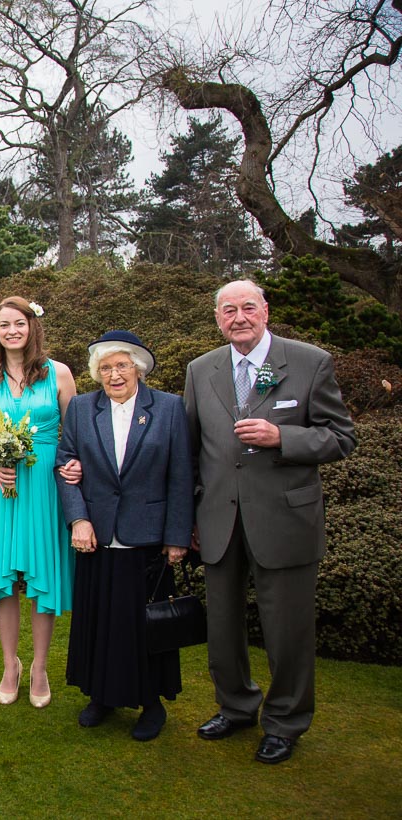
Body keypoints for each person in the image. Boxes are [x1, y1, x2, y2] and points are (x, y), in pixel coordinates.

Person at [184, 279, 355, 764]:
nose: (238, 317)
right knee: (222, 628)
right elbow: (190, 450)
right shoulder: (201, 369)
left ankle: (285, 721)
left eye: (247, 307)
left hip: (284, 519)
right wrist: (190, 514)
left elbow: (341, 437)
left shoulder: (309, 362)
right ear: (218, 318)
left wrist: (284, 437)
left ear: (265, 311)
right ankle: (235, 706)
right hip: (219, 520)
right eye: (228, 310)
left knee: (287, 630)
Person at [55, 330, 194, 741]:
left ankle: (151, 704)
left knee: (143, 626)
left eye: (121, 366)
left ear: (138, 368)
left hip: (147, 538)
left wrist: (177, 536)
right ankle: (101, 696)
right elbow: (65, 465)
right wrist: (78, 520)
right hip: (96, 536)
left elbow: (181, 474)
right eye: (105, 368)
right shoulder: (81, 408)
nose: (114, 375)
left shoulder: (168, 408)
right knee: (99, 621)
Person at [0, 296, 76, 708]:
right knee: (5, 577)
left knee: (41, 574)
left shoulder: (59, 373)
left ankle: (40, 666)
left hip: (44, 483)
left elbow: (77, 433)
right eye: (4, 325)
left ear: (32, 327)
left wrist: (74, 467)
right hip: (1, 484)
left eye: (19, 323)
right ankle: (9, 664)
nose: (12, 331)